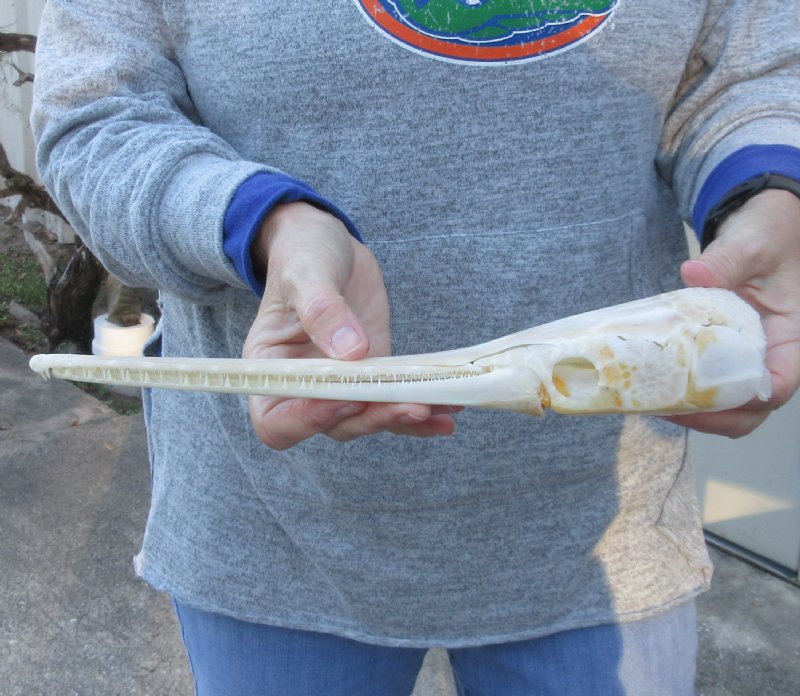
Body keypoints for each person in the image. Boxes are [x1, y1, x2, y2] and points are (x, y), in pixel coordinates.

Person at [32, 2, 800, 694]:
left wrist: (769, 191)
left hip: (604, 531)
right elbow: (97, 119)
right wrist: (266, 223)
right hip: (273, 530)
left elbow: (749, 78)